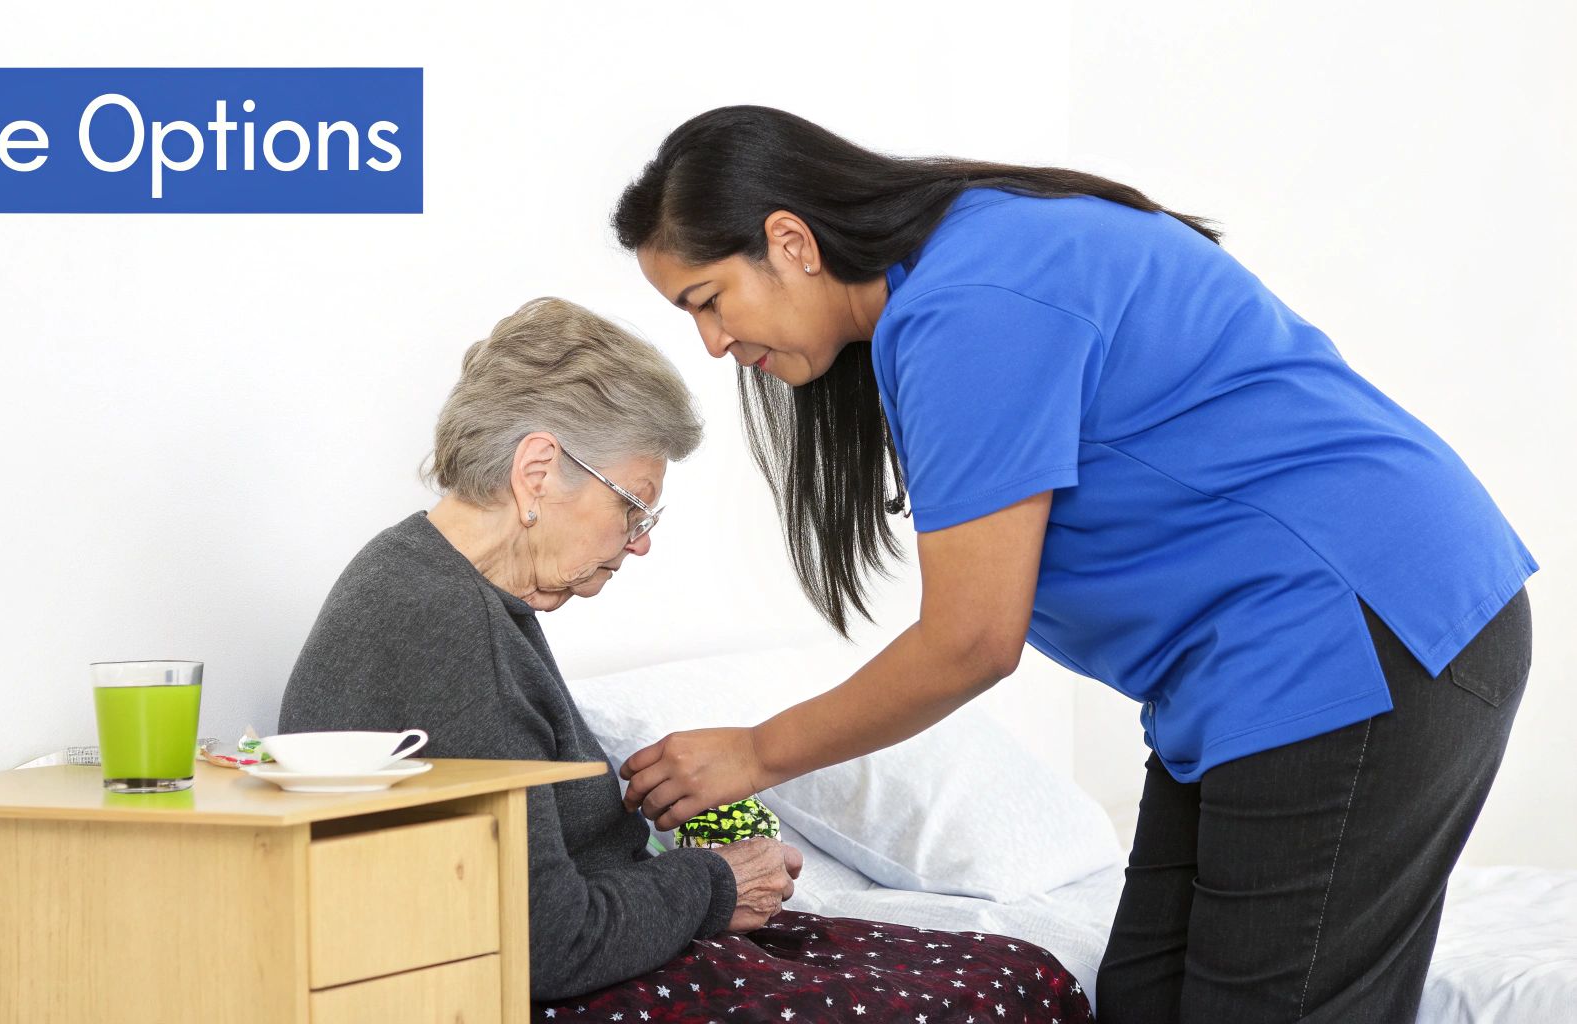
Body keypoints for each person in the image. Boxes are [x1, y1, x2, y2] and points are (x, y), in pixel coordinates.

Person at [610, 105, 1535, 1023]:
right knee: (1143, 1000)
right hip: (1268, 656)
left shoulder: (969, 306)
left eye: (708, 301)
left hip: (1359, 629)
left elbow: (972, 640)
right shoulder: (974, 256)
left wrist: (756, 753)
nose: (713, 346)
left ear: (791, 241)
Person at [275, 297, 1094, 1022]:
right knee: (999, 988)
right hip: (557, 987)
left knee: (1002, 967)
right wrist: (717, 883)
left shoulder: (429, 581)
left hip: (588, 961)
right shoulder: (441, 624)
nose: (637, 544)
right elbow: (546, 941)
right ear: (536, 473)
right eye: (633, 505)